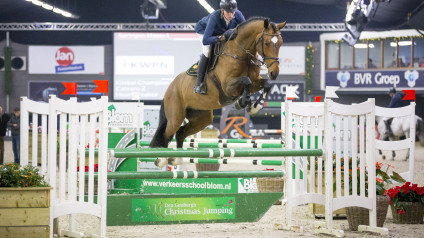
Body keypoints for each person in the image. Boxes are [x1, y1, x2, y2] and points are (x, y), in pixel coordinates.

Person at [193, 0, 245, 95]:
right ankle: (198, 84)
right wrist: (221, 38)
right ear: (222, 10)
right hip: (204, 32)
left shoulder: (237, 14)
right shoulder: (214, 17)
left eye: (233, 12)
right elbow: (206, 40)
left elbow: (245, 32)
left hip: (220, 33)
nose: (231, 15)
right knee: (207, 51)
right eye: (228, 12)